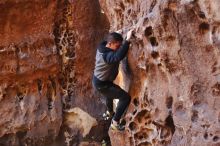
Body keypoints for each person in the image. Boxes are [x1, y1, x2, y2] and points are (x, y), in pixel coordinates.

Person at [92, 30, 133, 131]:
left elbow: (106, 40)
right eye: (117, 46)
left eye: (119, 46)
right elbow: (118, 56)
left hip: (99, 81)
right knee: (125, 98)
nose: (118, 48)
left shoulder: (102, 46)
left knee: (109, 95)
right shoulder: (107, 56)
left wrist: (116, 33)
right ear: (110, 44)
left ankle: (110, 112)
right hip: (102, 84)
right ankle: (115, 122)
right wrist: (127, 41)